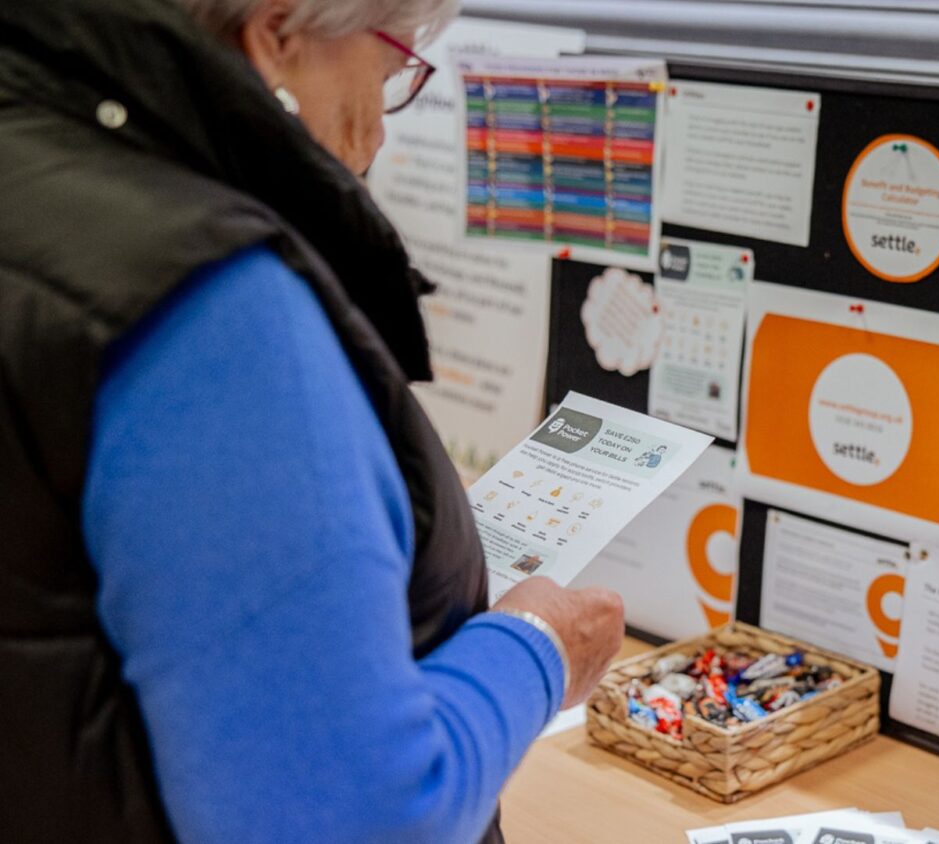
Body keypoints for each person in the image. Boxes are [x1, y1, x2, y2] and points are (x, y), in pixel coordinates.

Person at [0, 0, 625, 842]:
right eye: (394, 63)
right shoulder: (203, 297)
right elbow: (357, 818)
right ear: (279, 35)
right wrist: (538, 647)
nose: (380, 128)